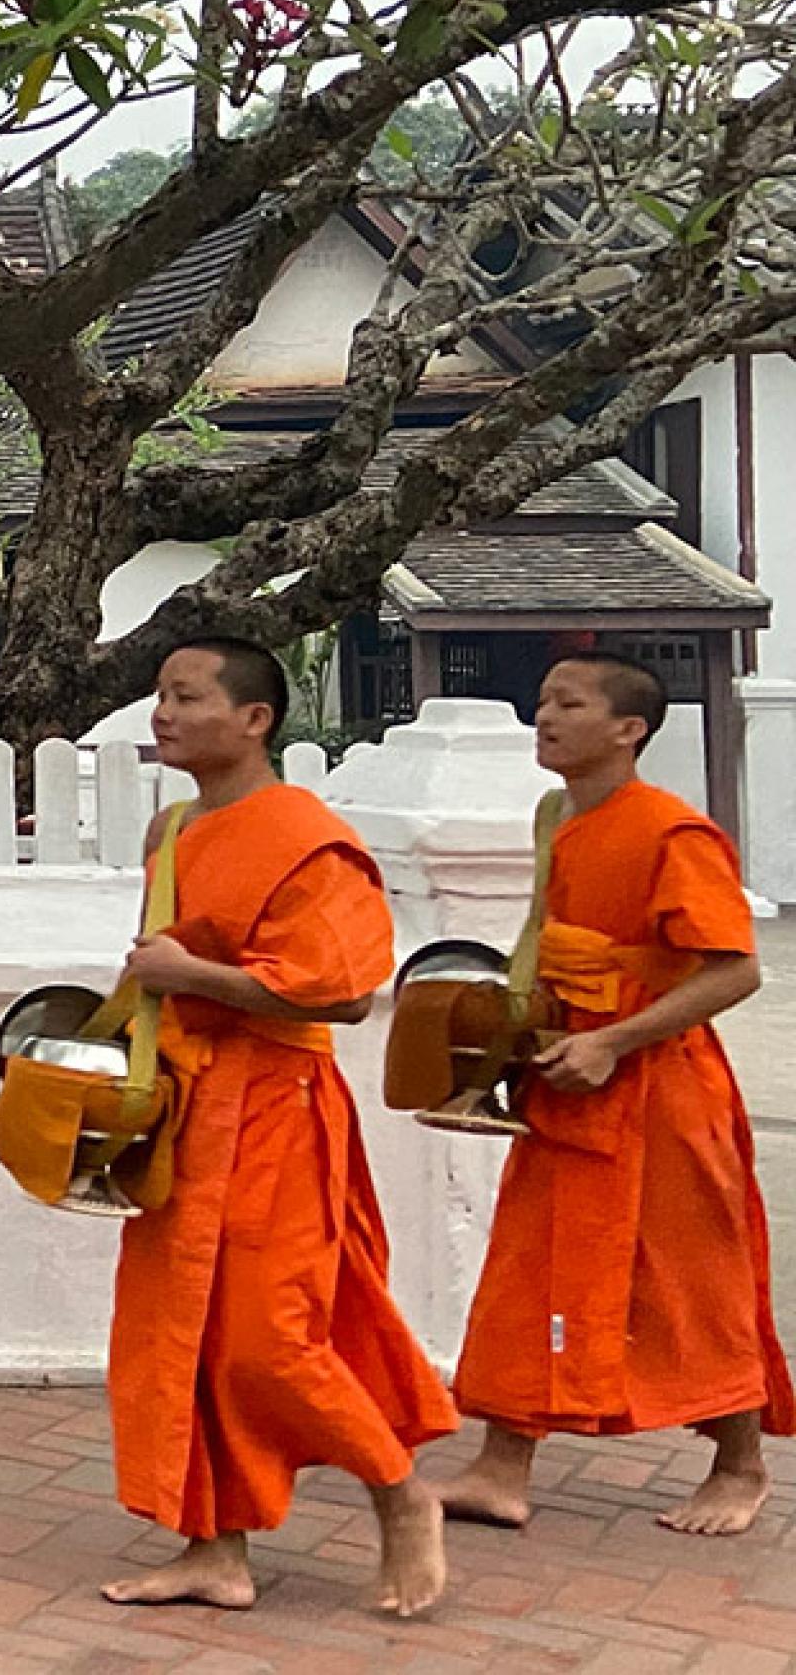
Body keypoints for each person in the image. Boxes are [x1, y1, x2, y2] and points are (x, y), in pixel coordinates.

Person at [99, 636, 455, 1615]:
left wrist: (194, 978)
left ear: (254, 720)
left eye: (186, 695)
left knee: (269, 1338)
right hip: (187, 1105)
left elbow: (340, 995)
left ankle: (400, 1493)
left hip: (276, 1105)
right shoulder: (171, 831)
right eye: (159, 696)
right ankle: (215, 1548)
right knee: (183, 1333)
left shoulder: (305, 832)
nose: (162, 713)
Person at [438, 652, 787, 1536]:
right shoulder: (558, 814)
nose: (544, 715)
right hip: (569, 1074)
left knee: (688, 1276)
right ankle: (501, 1462)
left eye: (569, 702)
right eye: (543, 698)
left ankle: (739, 1464)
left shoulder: (671, 830)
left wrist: (614, 1039)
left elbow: (737, 969)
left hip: (661, 1083)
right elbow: (551, 950)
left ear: (628, 728)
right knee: (531, 1264)